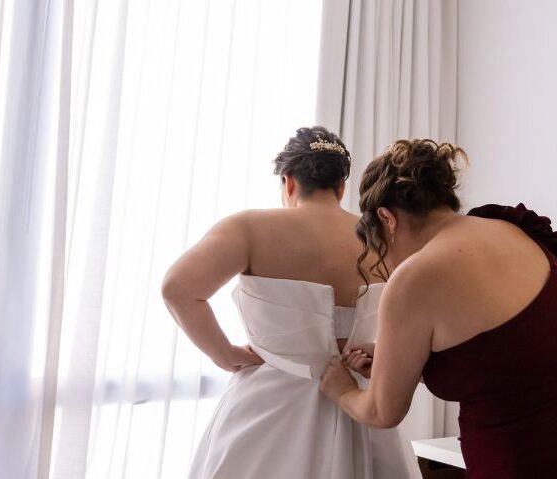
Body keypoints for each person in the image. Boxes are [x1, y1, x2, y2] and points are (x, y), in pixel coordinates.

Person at [320, 139, 557, 479]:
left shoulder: (415, 276)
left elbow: (380, 411)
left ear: (387, 219)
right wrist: (396, 359)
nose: (389, 264)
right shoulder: (508, 229)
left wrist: (341, 388)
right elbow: (509, 357)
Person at [162, 127, 419, 479]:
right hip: (360, 406)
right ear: (341, 186)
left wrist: (224, 354)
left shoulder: (249, 228)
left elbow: (176, 289)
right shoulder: (382, 237)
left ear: (289, 182)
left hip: (269, 410)